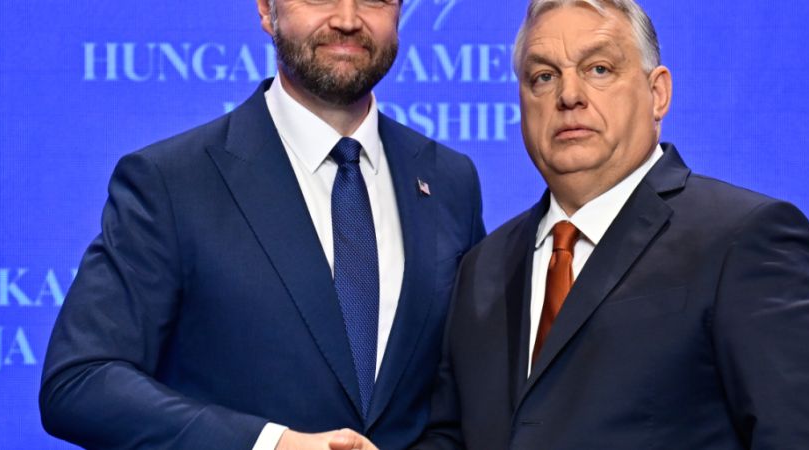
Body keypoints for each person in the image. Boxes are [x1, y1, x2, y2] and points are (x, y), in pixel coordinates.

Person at [39, 0, 485, 448]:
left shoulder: (449, 182)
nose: (348, 19)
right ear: (267, 12)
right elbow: (80, 380)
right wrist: (271, 444)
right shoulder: (171, 183)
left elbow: (463, 401)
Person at [413, 0, 809, 448]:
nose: (569, 95)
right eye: (543, 77)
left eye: (599, 69)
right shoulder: (483, 266)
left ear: (657, 93)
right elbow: (456, 437)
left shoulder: (746, 238)